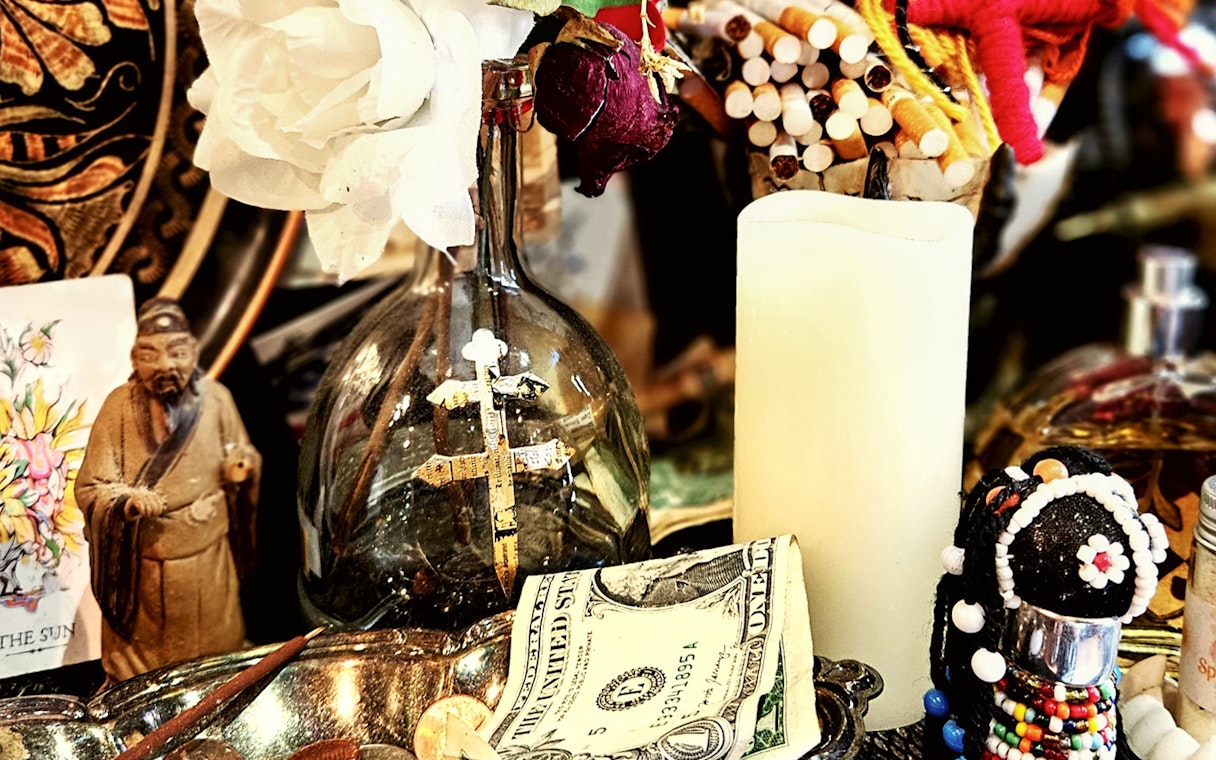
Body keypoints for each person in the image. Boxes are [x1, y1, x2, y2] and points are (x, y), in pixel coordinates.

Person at [77, 297, 260, 683]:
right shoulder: (117, 409)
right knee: (149, 671)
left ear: (193, 352)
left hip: (209, 557)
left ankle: (222, 676)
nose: (165, 365)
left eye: (177, 352)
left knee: (220, 659)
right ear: (134, 358)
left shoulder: (217, 399)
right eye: (150, 354)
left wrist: (239, 468)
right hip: (147, 570)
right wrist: (125, 502)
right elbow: (91, 487)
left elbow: (242, 453)